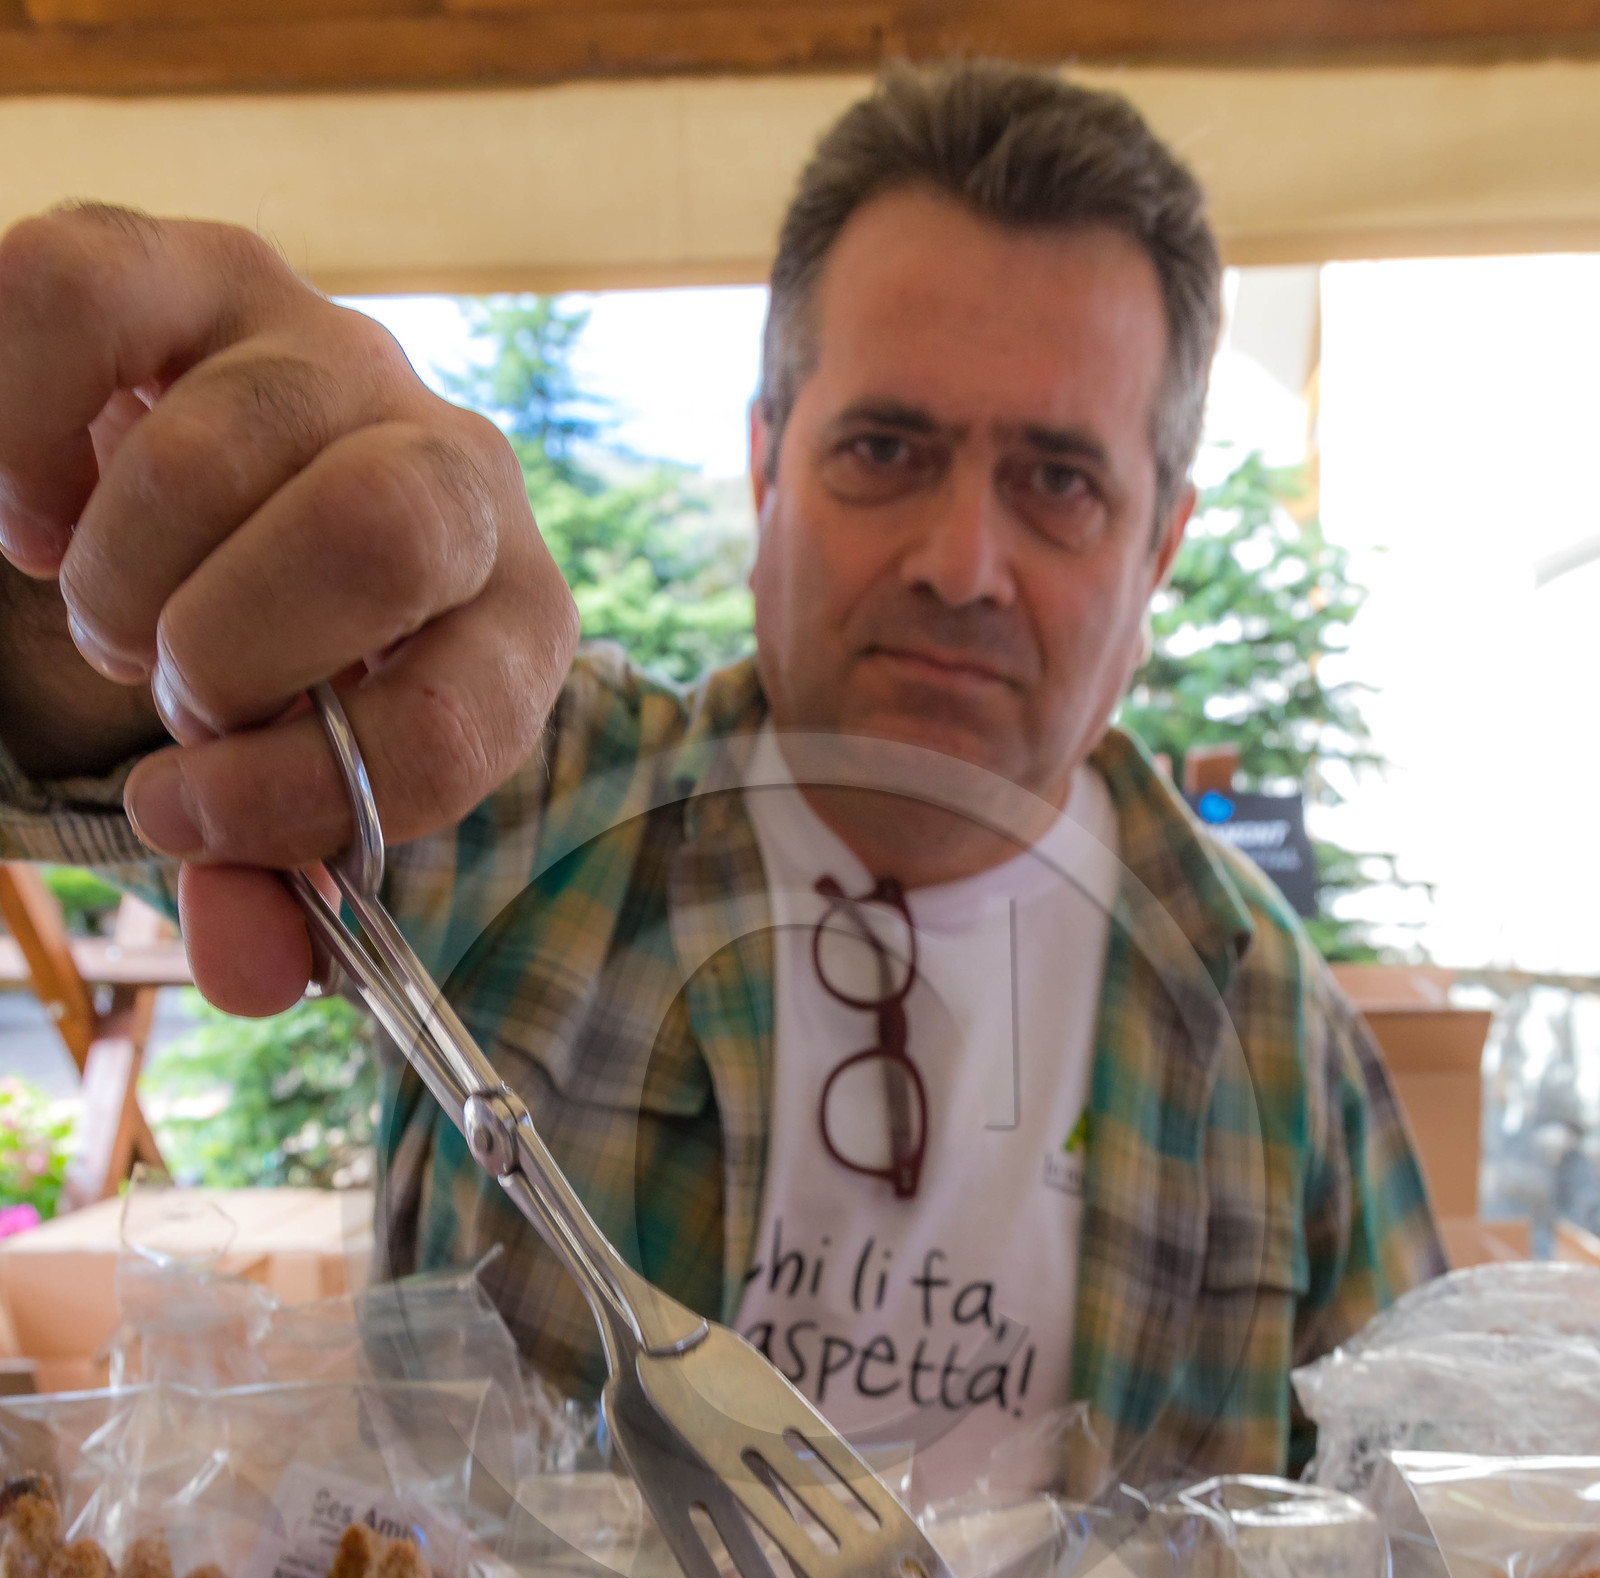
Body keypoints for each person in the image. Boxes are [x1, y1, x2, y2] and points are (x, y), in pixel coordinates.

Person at [0, 64, 1443, 1497]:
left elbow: (1424, 1555)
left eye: (1060, 482)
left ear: (1160, 549)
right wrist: (95, 554)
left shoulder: (1270, 1030)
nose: (961, 565)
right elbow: (112, 735)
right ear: (767, 468)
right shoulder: (527, 803)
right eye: (885, 449)